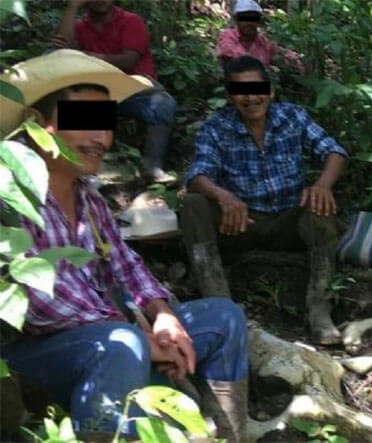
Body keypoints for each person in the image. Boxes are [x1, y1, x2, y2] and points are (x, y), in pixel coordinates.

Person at [0, 50, 249, 440]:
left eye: (105, 124)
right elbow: (39, 303)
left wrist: (162, 314)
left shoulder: (89, 197)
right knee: (123, 342)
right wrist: (144, 340)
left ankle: (232, 431)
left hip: (111, 338)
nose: (101, 138)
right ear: (38, 125)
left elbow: (125, 264)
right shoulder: (10, 196)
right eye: (85, 123)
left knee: (224, 317)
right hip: (32, 356)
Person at [182, 55, 348, 345]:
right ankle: (222, 309)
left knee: (320, 206)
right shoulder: (217, 128)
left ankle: (320, 310)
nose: (250, 98)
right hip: (242, 223)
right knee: (192, 205)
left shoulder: (292, 117)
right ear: (230, 96)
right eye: (240, 91)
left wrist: (322, 185)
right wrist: (223, 196)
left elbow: (334, 151)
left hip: (289, 219)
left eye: (257, 89)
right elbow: (198, 174)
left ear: (270, 90)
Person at [52, 0, 178, 183]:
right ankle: (76, 165)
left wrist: (83, 55)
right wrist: (72, 6)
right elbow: (61, 51)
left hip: (134, 89)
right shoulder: (81, 26)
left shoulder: (130, 21)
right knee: (69, 100)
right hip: (100, 92)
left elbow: (128, 61)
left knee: (163, 104)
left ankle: (152, 168)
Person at [216, 0, 304, 74]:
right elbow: (229, 56)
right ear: (236, 20)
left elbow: (279, 53)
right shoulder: (228, 36)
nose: (249, 23)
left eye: (253, 19)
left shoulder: (263, 42)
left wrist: (295, 58)